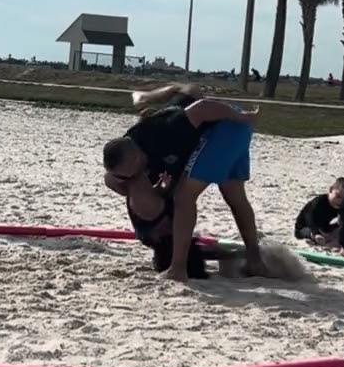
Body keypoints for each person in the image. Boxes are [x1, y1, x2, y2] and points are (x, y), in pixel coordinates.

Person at [102, 85, 265, 281]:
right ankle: (255, 260)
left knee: (184, 196)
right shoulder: (130, 159)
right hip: (231, 132)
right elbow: (113, 179)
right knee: (235, 196)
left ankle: (178, 268)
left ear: (137, 159)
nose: (132, 179)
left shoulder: (161, 132)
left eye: (130, 175)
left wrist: (242, 117)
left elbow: (202, 107)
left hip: (225, 125)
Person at [294, 177, 344, 246]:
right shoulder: (319, 202)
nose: (340, 201)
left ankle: (327, 238)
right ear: (331, 190)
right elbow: (309, 218)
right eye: (338, 196)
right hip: (306, 227)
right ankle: (316, 238)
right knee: (307, 232)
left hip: (324, 227)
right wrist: (315, 233)